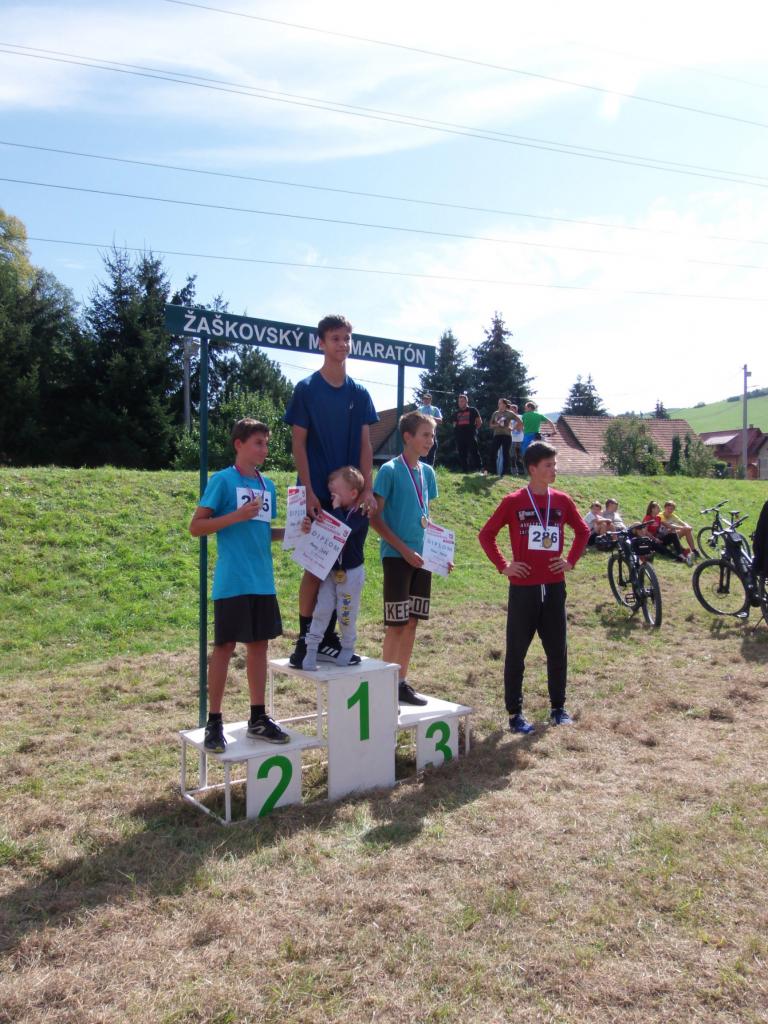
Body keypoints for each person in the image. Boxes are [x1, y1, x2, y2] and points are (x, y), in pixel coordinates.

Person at [283, 314, 379, 668]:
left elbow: (366, 445)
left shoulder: (360, 393)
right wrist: (309, 490)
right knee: (315, 568)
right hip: (317, 497)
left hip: (350, 500)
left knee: (344, 569)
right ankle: (305, 640)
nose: (343, 344)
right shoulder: (307, 389)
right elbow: (298, 444)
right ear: (321, 343)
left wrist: (366, 489)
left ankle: (328, 640)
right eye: (336, 338)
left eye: (347, 338)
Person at [189, 418, 289, 753]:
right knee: (225, 647)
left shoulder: (267, 485)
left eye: (266, 443)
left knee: (259, 646)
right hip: (232, 580)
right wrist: (236, 515)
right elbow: (196, 526)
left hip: (262, 581)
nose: (264, 449)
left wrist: (293, 532)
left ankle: (258, 718)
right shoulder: (223, 480)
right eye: (258, 442)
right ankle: (214, 722)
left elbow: (263, 532)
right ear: (239, 444)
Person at [478, 440, 590, 734]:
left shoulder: (562, 501)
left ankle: (558, 708)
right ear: (533, 469)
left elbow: (583, 530)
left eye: (555, 464)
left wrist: (570, 561)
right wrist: (504, 565)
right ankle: (515, 714)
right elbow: (486, 535)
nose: (554, 470)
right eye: (548, 465)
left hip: (554, 586)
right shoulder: (513, 501)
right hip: (523, 588)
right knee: (517, 652)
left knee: (557, 650)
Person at [371, 411, 446, 706]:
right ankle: (384, 685)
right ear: (407, 437)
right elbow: (374, 519)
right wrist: (403, 549)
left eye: (433, 435)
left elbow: (426, 516)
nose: (431, 440)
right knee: (397, 623)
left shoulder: (428, 472)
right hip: (396, 556)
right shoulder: (389, 470)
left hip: (422, 558)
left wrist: (439, 554)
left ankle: (401, 682)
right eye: (426, 435)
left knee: (413, 622)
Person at [301, 467, 369, 671]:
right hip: (331, 572)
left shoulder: (360, 514)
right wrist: (308, 525)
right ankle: (311, 648)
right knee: (321, 609)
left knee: (346, 613)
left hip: (351, 574)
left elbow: (343, 531)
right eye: (331, 491)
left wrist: (337, 508)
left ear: (353, 493)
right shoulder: (333, 511)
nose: (332, 494)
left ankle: (347, 647)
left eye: (336, 490)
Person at [489, 398, 523, 477]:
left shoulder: (509, 413)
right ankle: (493, 471)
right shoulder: (495, 413)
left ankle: (505, 473)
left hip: (507, 435)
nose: (499, 404)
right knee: (493, 452)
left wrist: (513, 428)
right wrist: (497, 425)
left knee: (506, 453)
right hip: (497, 435)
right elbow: (490, 425)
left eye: (500, 403)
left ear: (504, 404)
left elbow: (520, 422)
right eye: (498, 403)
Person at [453, 394, 483, 472]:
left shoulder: (473, 410)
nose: (460, 403)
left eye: (462, 401)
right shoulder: (456, 412)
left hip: (471, 435)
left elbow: (479, 422)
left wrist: (473, 430)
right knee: (462, 453)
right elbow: (454, 424)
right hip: (460, 436)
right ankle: (465, 470)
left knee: (474, 452)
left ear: (466, 401)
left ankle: (479, 469)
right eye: (459, 401)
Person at [416, 391, 442, 465]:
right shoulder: (419, 409)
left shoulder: (435, 409)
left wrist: (432, 417)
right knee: (421, 456)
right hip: (422, 436)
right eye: (424, 399)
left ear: (430, 400)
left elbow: (440, 420)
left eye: (427, 399)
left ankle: (430, 470)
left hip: (431, 435)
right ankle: (422, 470)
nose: (425, 400)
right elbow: (415, 421)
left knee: (431, 456)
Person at [509, 403, 525, 475]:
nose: (510, 411)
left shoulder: (520, 416)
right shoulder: (509, 418)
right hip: (512, 438)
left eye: (511, 409)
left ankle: (522, 471)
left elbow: (521, 425)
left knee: (520, 455)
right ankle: (514, 472)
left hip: (520, 438)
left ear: (515, 409)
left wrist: (513, 428)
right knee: (512, 455)